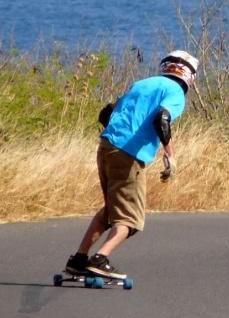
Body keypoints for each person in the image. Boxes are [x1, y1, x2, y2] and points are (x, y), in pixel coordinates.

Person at [63, 50, 199, 278]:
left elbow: (106, 113)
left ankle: (79, 259)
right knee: (131, 219)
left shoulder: (143, 84)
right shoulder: (175, 92)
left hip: (106, 146)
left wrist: (120, 136)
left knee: (111, 210)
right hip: (128, 155)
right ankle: (99, 260)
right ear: (190, 77)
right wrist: (169, 155)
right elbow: (162, 118)